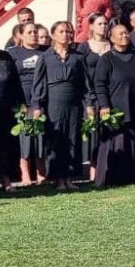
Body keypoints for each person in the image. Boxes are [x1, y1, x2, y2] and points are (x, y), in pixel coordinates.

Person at [32, 21, 91, 191]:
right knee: (56, 140)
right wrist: (36, 105)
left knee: (72, 138)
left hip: (73, 103)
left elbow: (85, 83)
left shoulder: (78, 57)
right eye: (62, 31)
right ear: (53, 34)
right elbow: (39, 83)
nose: (66, 34)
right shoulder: (45, 57)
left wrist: (88, 104)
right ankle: (57, 179)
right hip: (53, 103)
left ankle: (69, 178)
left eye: (68, 31)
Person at [93, 24, 135, 187]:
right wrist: (104, 105)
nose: (125, 36)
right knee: (117, 142)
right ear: (112, 38)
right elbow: (100, 84)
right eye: (120, 34)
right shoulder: (106, 59)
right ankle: (113, 177)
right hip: (115, 109)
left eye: (126, 33)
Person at [9, 23, 47, 185]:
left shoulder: (46, 51)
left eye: (35, 31)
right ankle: (25, 174)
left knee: (41, 137)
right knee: (24, 137)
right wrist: (19, 103)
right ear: (21, 35)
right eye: (30, 32)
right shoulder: (14, 53)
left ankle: (41, 173)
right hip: (22, 100)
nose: (34, 34)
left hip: (42, 98)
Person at [76, 12, 111, 181]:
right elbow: (81, 75)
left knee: (109, 131)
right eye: (99, 24)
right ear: (91, 26)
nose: (103, 26)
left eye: (105, 23)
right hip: (90, 96)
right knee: (93, 133)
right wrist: (88, 99)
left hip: (110, 95)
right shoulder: (84, 48)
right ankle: (93, 168)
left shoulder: (112, 45)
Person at [0, 24, 22, 191]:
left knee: (4, 147)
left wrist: (22, 104)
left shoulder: (6, 58)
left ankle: (6, 180)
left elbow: (16, 84)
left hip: (3, 111)